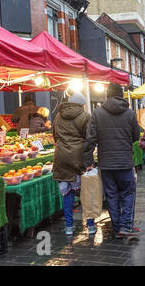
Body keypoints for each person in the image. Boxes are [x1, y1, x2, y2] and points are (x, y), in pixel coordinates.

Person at [84, 83, 141, 238]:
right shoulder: (129, 113)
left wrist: (88, 160)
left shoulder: (97, 113)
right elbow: (136, 135)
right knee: (128, 194)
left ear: (107, 95)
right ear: (121, 95)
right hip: (125, 162)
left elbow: (90, 139)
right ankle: (125, 225)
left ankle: (117, 227)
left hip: (106, 163)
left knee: (111, 195)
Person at [52, 92, 91, 235]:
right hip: (78, 158)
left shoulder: (58, 115)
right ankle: (91, 225)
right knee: (85, 193)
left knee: (67, 193)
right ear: (82, 104)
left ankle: (69, 227)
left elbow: (54, 135)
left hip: (61, 157)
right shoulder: (85, 116)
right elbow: (89, 137)